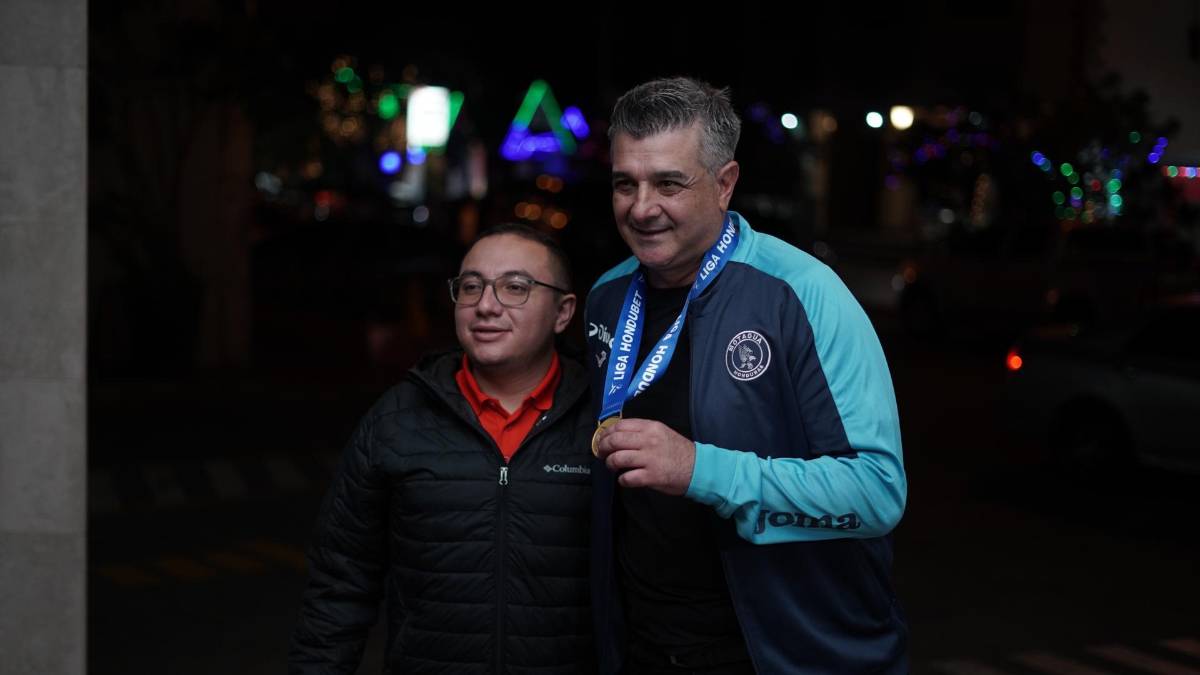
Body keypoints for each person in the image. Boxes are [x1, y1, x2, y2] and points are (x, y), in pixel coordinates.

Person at [586, 77, 908, 674]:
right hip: (643, 647)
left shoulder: (803, 294)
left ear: (725, 183)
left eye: (669, 183)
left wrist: (700, 469)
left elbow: (876, 493)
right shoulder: (606, 297)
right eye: (625, 183)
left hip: (782, 652)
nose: (641, 207)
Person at [290, 223, 596, 674]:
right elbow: (339, 584)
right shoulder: (397, 421)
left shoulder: (603, 421)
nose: (486, 305)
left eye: (515, 287)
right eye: (471, 287)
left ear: (563, 312)